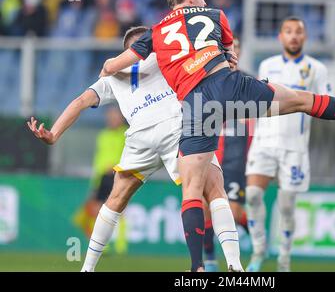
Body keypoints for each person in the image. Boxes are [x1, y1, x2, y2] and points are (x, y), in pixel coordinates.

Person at [99, 0, 335, 272]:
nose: (204, 0)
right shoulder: (216, 15)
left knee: (192, 189)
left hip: (198, 105)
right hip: (231, 88)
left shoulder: (156, 32)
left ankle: (197, 267)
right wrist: (226, 57)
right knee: (302, 101)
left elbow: (117, 64)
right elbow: (230, 56)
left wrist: (107, 69)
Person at [27, 25, 222, 272]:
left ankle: (87, 269)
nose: (151, 47)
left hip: (144, 137)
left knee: (116, 201)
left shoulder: (116, 74)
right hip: (173, 129)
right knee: (211, 189)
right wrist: (224, 57)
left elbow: (80, 102)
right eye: (146, 44)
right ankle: (216, 266)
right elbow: (203, 62)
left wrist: (54, 134)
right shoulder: (164, 60)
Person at [245, 16, 331, 272]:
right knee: (252, 195)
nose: (293, 36)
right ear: (280, 37)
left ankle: (284, 257)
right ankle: (259, 252)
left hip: (294, 146)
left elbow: (325, 103)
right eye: (288, 31)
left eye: (298, 32)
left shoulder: (317, 69)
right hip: (264, 141)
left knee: (286, 204)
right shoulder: (267, 66)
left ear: (304, 37)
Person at [203, 37, 252, 272]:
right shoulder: (208, 81)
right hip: (211, 152)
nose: (233, 53)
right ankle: (210, 260)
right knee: (204, 209)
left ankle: (250, 229)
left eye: (236, 48)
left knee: (231, 211)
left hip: (236, 155)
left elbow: (257, 122)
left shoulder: (247, 82)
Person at [73, 106, 128, 255]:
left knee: (119, 210)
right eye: (109, 116)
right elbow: (99, 158)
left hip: (116, 175)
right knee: (93, 212)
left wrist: (117, 167)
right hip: (101, 177)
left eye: (114, 116)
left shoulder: (125, 134)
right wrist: (96, 177)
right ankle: (102, 245)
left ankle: (121, 246)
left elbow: (127, 155)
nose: (111, 119)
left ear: (121, 118)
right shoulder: (103, 135)